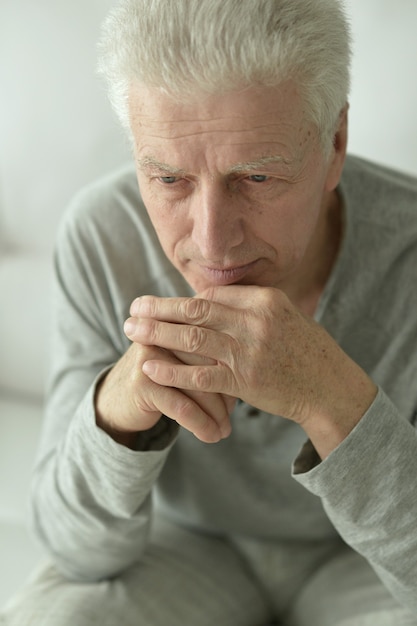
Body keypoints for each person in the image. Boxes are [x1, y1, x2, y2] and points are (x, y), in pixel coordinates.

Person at [2, 0, 417, 624]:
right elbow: (76, 550)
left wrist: (333, 400)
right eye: (169, 180)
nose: (212, 243)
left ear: (334, 143)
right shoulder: (102, 237)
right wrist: (120, 408)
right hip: (183, 547)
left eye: (255, 177)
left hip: (365, 565)